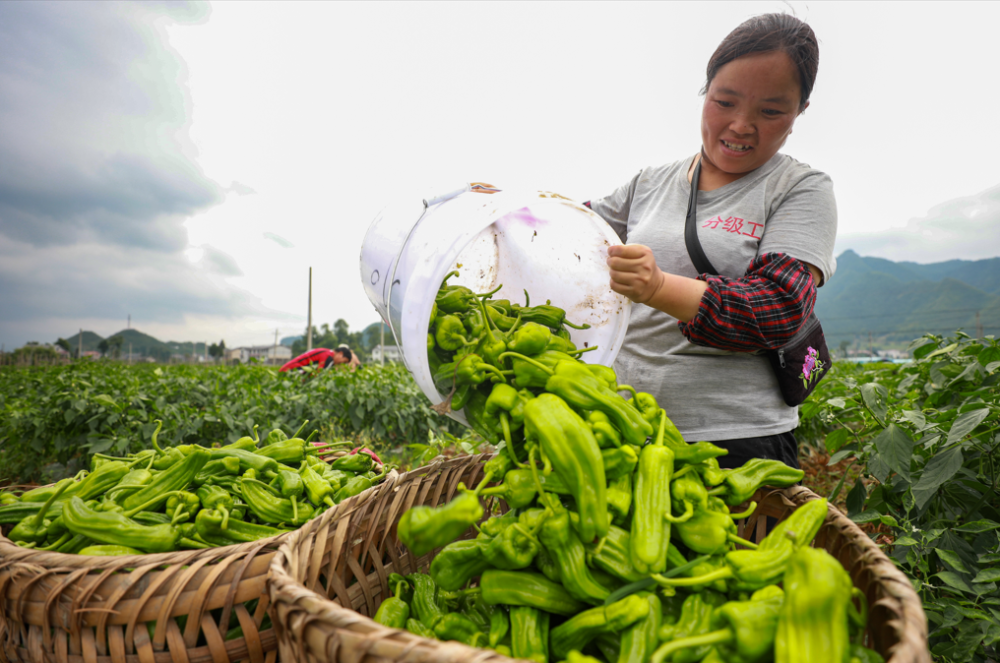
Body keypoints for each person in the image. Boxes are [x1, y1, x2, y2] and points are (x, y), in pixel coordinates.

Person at [588, 13, 836, 470]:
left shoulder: (800, 189)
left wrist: (658, 287)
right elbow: (570, 236)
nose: (741, 125)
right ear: (704, 93)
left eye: (771, 110)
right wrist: (502, 212)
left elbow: (780, 307)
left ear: (799, 112)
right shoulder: (650, 182)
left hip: (735, 443)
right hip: (624, 427)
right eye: (725, 101)